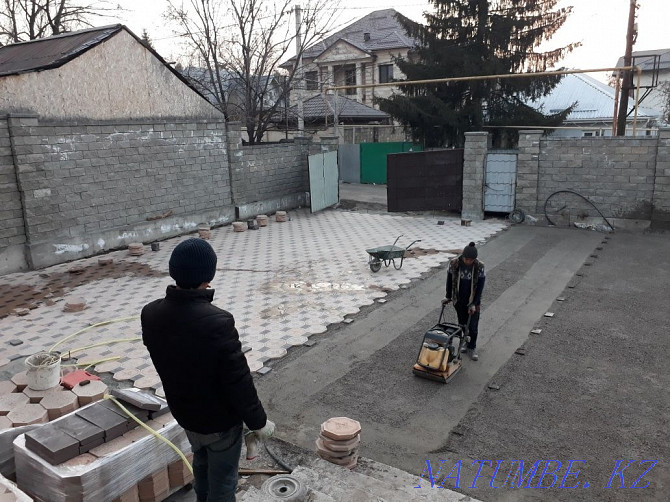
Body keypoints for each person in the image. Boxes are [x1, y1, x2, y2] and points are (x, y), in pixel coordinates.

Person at [141, 238, 274, 502]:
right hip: (220, 424)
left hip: (186, 415)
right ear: (208, 275)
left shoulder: (150, 313)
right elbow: (238, 381)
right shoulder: (217, 321)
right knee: (223, 483)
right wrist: (258, 422)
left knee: (200, 467)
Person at [442, 241, 486, 361]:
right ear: (463, 257)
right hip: (459, 299)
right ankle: (465, 343)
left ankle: (472, 347)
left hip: (473, 300)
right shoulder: (454, 263)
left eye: (471, 260)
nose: (469, 262)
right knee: (462, 325)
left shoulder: (479, 266)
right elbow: (449, 280)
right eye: (467, 259)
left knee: (473, 327)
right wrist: (448, 296)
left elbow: (480, 287)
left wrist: (474, 303)